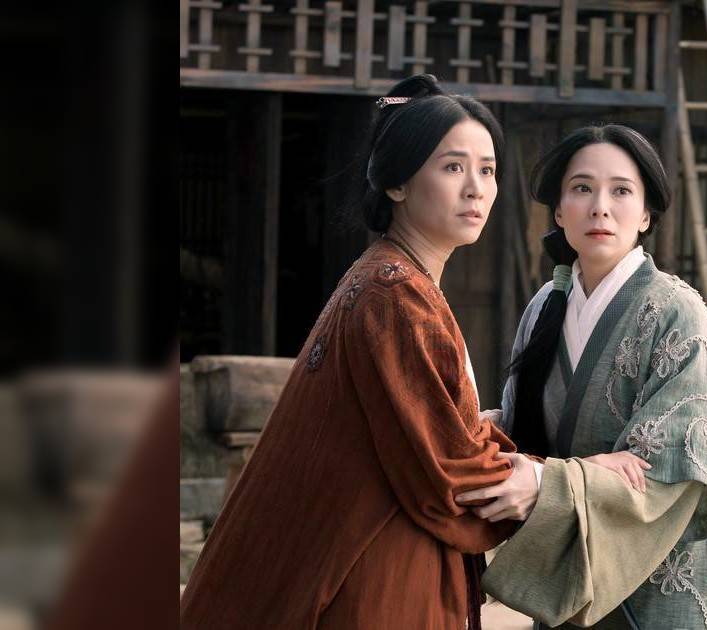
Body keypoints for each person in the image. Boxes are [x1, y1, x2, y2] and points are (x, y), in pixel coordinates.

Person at [180, 74, 540, 630]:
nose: (476, 188)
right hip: (379, 572)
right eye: (452, 167)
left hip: (381, 557)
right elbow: (451, 472)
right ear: (397, 183)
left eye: (487, 170)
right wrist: (559, 479)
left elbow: (427, 432)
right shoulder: (395, 294)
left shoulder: (388, 278)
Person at [459, 125, 707, 629]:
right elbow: (524, 430)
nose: (600, 208)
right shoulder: (544, 307)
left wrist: (546, 482)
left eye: (621, 191)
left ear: (646, 214)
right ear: (559, 210)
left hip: (663, 581)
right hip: (573, 568)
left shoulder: (678, 314)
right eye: (582, 188)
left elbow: (672, 469)